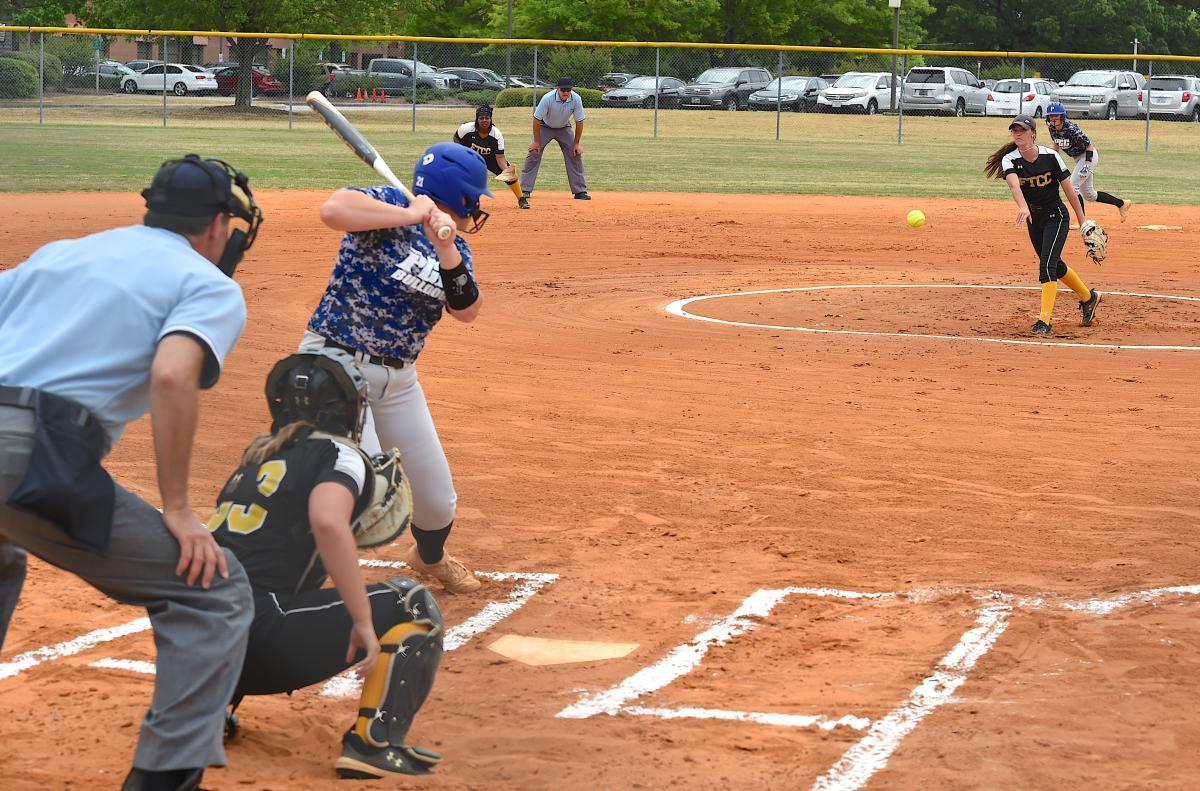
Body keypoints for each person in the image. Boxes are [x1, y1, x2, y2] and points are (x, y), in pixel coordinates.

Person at [0, 154, 264, 790]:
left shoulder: (61, 253)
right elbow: (173, 374)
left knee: (4, 555)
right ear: (219, 224)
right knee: (212, 594)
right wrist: (177, 509)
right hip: (32, 450)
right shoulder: (207, 285)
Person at [209, 348, 445, 779]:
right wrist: (360, 620)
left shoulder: (257, 455)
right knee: (412, 602)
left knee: (250, 582)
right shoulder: (340, 455)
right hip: (261, 644)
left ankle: (204, 716)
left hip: (195, 650)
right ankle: (373, 744)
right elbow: (326, 521)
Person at [300, 141, 491, 595]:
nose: (478, 207)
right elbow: (334, 210)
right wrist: (410, 216)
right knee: (359, 485)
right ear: (458, 194)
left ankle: (430, 559)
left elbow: (467, 310)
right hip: (335, 365)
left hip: (400, 380)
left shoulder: (455, 243)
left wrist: (444, 246)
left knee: (436, 503)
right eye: (475, 197)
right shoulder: (388, 204)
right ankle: (289, 560)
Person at [985, 114, 1101, 337]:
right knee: (1055, 266)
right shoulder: (1010, 159)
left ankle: (1044, 321)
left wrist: (1082, 218)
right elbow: (1013, 185)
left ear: (1033, 133)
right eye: (1014, 130)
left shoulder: (1050, 157)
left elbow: (1069, 190)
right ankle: (1089, 298)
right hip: (1033, 219)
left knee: (1047, 267)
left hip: (1056, 216)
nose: (1018, 134)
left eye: (1022, 130)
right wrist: (1023, 207)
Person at [1045, 101, 1132, 223]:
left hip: (1088, 157)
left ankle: (1082, 222)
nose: (1053, 118)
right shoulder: (1052, 129)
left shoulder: (1071, 128)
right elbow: (1056, 145)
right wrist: (1051, 161)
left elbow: (1089, 146)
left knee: (1073, 186)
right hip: (1078, 159)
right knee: (1089, 195)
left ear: (1062, 116)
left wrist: (1086, 164)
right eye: (1051, 115)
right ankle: (1122, 204)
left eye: (1056, 115)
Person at [518, 76, 590, 209]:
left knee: (575, 154)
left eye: (568, 90)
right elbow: (536, 120)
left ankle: (580, 191)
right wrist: (536, 142)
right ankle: (525, 189)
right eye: (563, 90)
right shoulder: (548, 98)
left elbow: (579, 122)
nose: (566, 93)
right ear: (557, 89)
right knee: (534, 153)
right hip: (545, 126)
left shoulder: (576, 99)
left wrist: (576, 143)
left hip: (564, 127)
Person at [454, 105, 524, 204]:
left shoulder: (496, 134)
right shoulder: (466, 128)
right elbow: (456, 139)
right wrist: (461, 154)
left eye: (487, 118)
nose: (484, 120)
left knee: (509, 174)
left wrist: (506, 171)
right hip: (471, 157)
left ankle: (521, 198)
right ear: (477, 119)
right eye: (481, 118)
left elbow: (500, 157)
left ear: (491, 119)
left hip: (491, 157)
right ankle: (465, 199)